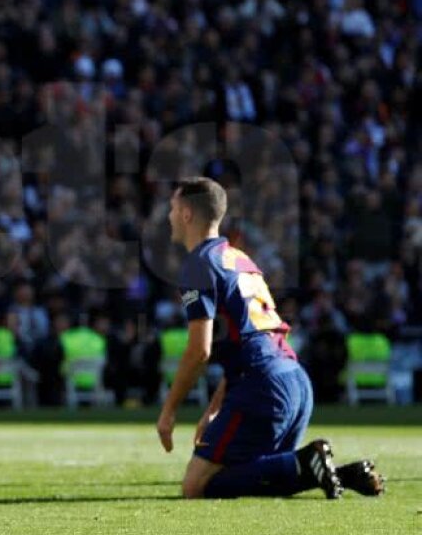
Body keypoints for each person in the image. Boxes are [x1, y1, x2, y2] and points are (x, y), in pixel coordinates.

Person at [157, 177, 383, 499]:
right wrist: (213, 410)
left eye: (172, 208)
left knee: (196, 486)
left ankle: (306, 464)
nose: (169, 217)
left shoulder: (198, 264)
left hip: (261, 387)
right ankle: (334, 473)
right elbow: (248, 338)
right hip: (294, 382)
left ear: (187, 214)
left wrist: (169, 411)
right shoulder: (239, 259)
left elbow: (199, 350)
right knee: (260, 472)